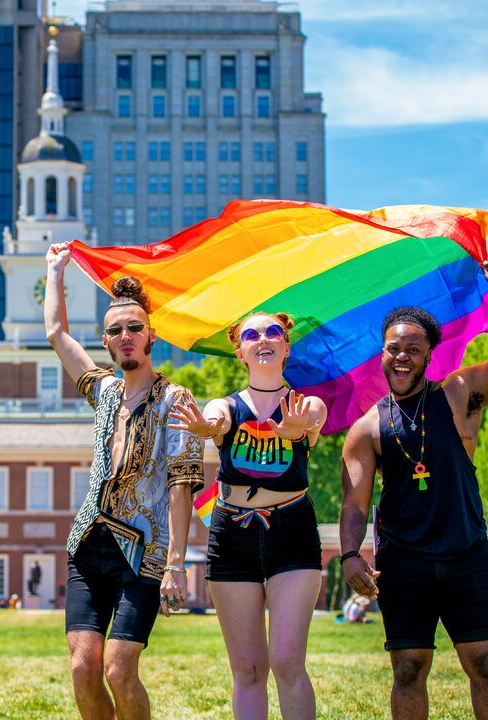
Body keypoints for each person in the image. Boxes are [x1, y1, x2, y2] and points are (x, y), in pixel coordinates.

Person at [340, 256, 488, 720]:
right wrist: (351, 554)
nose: (402, 356)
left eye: (413, 348)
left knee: (486, 664)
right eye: (394, 348)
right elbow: (355, 501)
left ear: (429, 353)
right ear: (382, 353)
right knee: (409, 669)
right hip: (404, 561)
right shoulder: (366, 428)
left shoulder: (459, 394)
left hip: (467, 553)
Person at [45, 242, 204, 720]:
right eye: (116, 330)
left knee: (118, 669)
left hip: (144, 555)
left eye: (135, 327)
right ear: (107, 341)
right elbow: (56, 333)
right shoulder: (105, 391)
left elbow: (182, 484)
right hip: (89, 546)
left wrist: (176, 564)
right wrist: (55, 271)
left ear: (151, 334)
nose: (126, 335)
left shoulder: (175, 399)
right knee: (82, 666)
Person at [170, 311, 327, 720]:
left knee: (287, 661)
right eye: (252, 335)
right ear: (240, 351)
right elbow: (216, 419)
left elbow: (311, 422)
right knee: (248, 669)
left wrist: (295, 432)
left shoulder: (305, 403)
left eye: (273, 332)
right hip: (232, 534)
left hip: (291, 531)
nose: (263, 340)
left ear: (286, 346)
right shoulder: (226, 404)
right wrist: (209, 427)